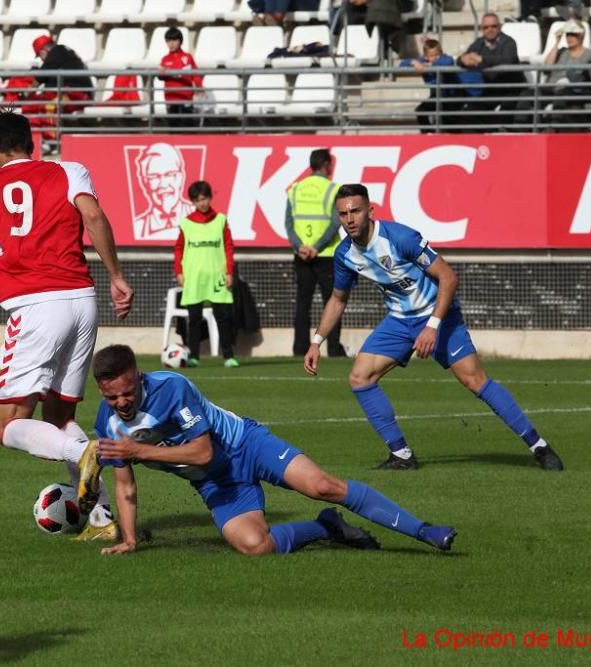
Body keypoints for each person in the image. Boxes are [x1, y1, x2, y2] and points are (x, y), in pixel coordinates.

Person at [90, 344, 458, 556]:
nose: (121, 402)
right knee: (255, 547)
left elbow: (202, 452)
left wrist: (139, 450)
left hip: (247, 446)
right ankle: (325, 527)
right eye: (111, 396)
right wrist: (131, 540)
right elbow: (125, 487)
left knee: (323, 486)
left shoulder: (171, 387)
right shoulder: (107, 423)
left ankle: (425, 531)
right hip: (217, 485)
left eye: (127, 392)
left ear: (138, 376)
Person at [303, 184, 564, 472]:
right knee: (360, 377)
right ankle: (401, 455)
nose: (350, 219)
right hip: (400, 321)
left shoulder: (400, 237)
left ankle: (538, 446)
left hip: (438, 316)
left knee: (474, 380)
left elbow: (449, 278)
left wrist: (432, 327)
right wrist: (316, 341)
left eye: (355, 211)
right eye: (343, 214)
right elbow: (338, 299)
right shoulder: (345, 254)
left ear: (370, 210)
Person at [0, 111, 134, 541]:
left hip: (36, 305)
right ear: (32, 142)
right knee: (60, 415)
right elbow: (94, 217)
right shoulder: (69, 170)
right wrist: (116, 276)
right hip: (82, 301)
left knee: (7, 425)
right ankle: (101, 519)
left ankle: (84, 452)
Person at [287, 149, 346, 358]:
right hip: (327, 255)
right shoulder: (332, 189)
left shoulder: (295, 189)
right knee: (334, 301)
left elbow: (289, 223)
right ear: (326, 165)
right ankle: (333, 349)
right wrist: (317, 247)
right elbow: (335, 222)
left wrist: (300, 246)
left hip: (301, 255)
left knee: (303, 302)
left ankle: (299, 348)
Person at [173, 181, 238, 368]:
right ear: (193, 201)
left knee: (223, 317)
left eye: (205, 198)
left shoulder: (221, 220)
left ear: (210, 198)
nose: (202, 203)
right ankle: (193, 356)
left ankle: (228, 356)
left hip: (216, 276)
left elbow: (228, 247)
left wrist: (229, 272)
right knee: (194, 319)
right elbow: (178, 249)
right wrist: (178, 271)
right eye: (198, 200)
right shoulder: (186, 223)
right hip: (193, 277)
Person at [515, 21, 591, 127]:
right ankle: (519, 127)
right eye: (567, 34)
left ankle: (553, 127)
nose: (569, 38)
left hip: (572, 91)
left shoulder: (590, 56)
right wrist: (556, 42)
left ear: (581, 36)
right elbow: (546, 67)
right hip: (551, 88)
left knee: (561, 95)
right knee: (527, 94)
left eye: (573, 35)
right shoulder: (560, 52)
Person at [458, 13, 525, 129]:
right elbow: (465, 57)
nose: (490, 30)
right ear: (481, 29)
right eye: (486, 27)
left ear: (499, 27)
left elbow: (507, 59)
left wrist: (482, 59)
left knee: (505, 116)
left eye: (493, 26)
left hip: (511, 90)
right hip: (490, 90)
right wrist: (462, 59)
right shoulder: (479, 43)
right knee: (469, 112)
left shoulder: (509, 42)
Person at [403, 39, 484, 131]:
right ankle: (428, 134)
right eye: (431, 56)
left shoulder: (445, 59)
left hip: (452, 95)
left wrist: (429, 65)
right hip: (437, 94)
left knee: (448, 119)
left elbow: (447, 62)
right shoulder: (422, 61)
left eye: (437, 55)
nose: (435, 58)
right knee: (421, 111)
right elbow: (402, 64)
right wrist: (413, 63)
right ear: (425, 56)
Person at [131, 142, 194, 240]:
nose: (163, 185)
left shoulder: (198, 217)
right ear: (144, 182)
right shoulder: (138, 226)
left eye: (170, 174)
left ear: (181, 177)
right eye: (154, 177)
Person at [158, 27, 203, 128]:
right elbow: (161, 77)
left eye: (174, 40)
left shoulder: (187, 57)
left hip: (186, 97)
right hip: (171, 98)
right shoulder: (165, 59)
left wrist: (199, 87)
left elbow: (195, 74)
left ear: (180, 41)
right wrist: (161, 73)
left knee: (188, 126)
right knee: (173, 126)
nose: (171, 43)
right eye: (168, 41)